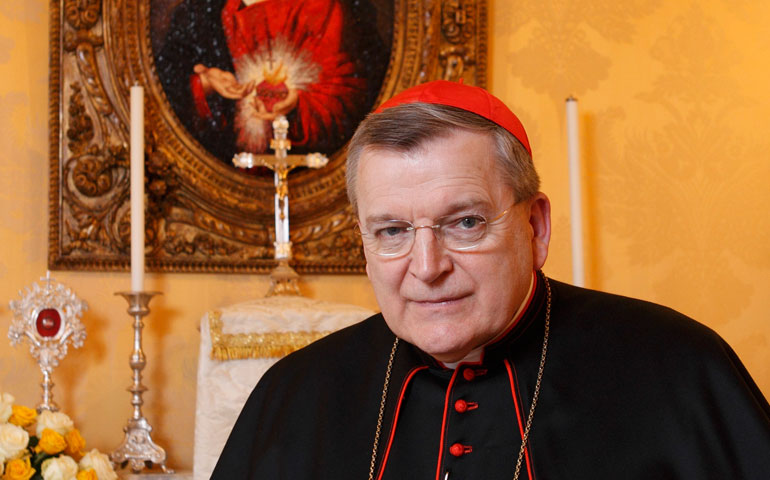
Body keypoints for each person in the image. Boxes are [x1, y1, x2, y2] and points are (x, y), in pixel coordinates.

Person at [211, 80, 770, 479]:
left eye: (466, 222)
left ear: (536, 227)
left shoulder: (680, 368)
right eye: (392, 231)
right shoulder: (294, 394)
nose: (427, 268)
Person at [154, 0, 387, 162]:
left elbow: (351, 99)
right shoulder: (201, 11)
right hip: (234, 188)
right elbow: (169, 98)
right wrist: (204, 85)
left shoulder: (324, 8)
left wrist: (298, 104)